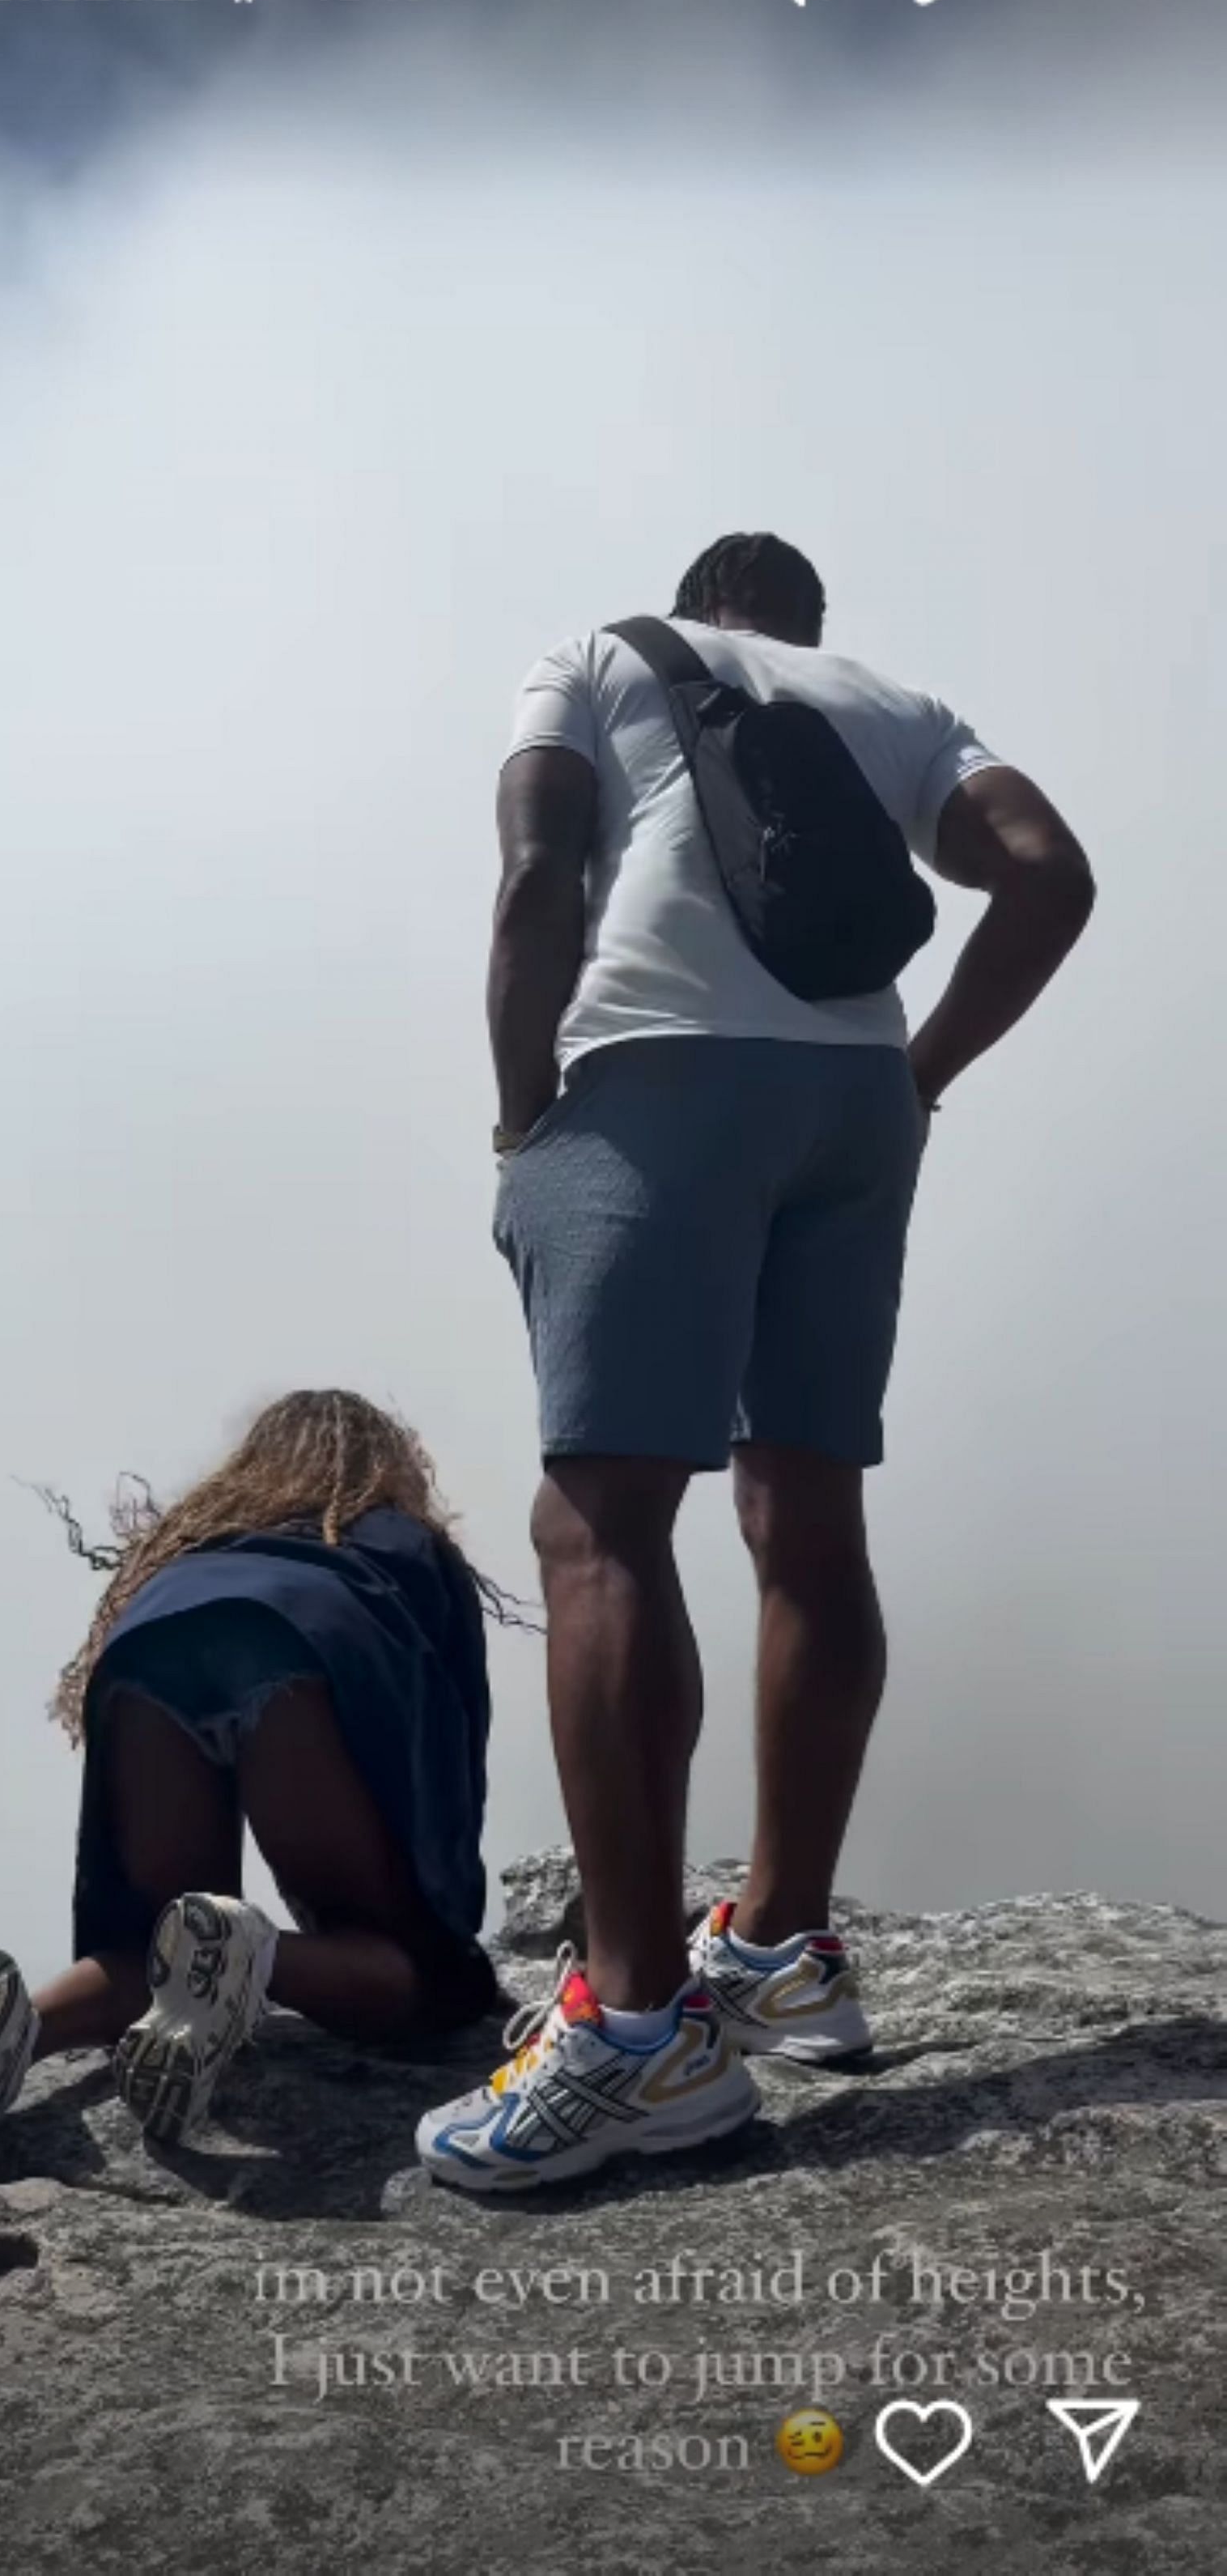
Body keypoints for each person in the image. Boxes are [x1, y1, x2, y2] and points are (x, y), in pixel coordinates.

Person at [417, 530, 1095, 2192]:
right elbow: (1054, 873)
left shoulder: (595, 654)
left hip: (658, 1073)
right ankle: (783, 1944)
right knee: (809, 1515)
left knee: (599, 1525)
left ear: (699, 602)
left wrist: (522, 1120)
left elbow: (533, 883)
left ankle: (640, 2033)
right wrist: (919, 1071)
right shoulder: (898, 704)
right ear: (802, 623)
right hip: (856, 1101)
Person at [0, 1389, 506, 2183]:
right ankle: (252, 1953)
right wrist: (443, 1919)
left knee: (151, 1941)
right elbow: (451, 1728)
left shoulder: (202, 1543)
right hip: (307, 1645)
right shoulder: (397, 1537)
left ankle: (8, 2033)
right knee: (430, 1976)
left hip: (149, 1652)